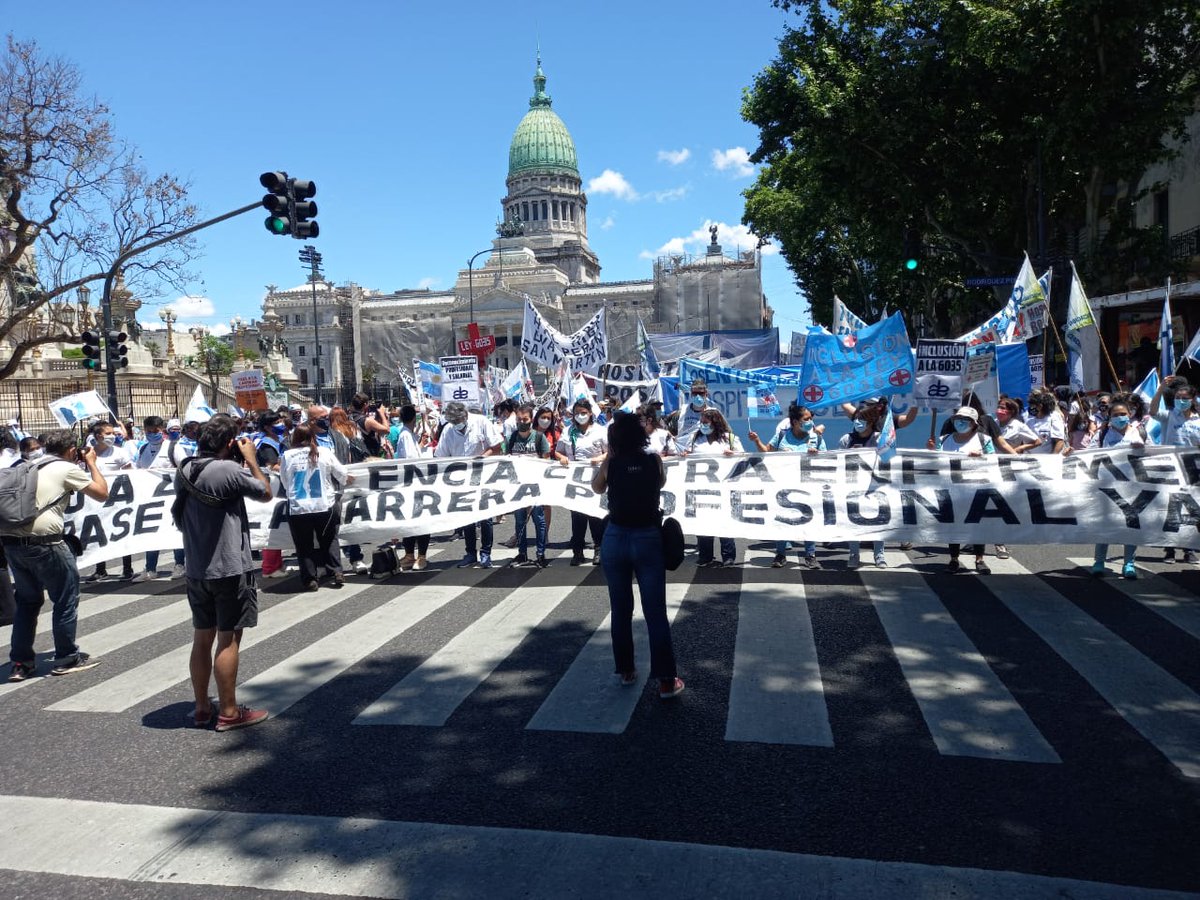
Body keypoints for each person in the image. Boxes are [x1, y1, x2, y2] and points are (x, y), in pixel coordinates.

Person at [175, 414, 271, 731]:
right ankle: (229, 711)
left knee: (202, 638)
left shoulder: (185, 469)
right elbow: (265, 491)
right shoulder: (229, 469)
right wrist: (251, 459)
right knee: (228, 639)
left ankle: (202, 707)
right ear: (230, 443)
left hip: (197, 568)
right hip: (229, 567)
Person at [591, 412, 683, 700]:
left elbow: (597, 487)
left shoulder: (612, 462)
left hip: (616, 537)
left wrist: (611, 458)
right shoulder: (653, 459)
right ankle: (667, 680)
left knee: (620, 610)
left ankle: (627, 670)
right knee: (654, 612)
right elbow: (661, 483)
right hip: (647, 537)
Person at [5, 429, 109, 682]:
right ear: (72, 450)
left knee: (27, 603)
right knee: (65, 599)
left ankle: (21, 663)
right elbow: (101, 493)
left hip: (12, 544)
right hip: (46, 544)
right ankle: (66, 657)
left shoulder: (27, 466)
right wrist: (92, 464)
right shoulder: (65, 468)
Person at [748, 403, 825, 568]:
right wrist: (756, 441)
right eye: (806, 419)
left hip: (807, 486)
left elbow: (828, 460)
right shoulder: (782, 435)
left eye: (811, 418)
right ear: (795, 421)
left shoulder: (816, 437)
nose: (810, 422)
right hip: (783, 486)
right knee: (782, 519)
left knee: (809, 520)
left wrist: (817, 455)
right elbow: (766, 450)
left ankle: (810, 555)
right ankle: (780, 554)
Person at [278, 424, 352, 591]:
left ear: (294, 439)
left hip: (299, 507)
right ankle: (336, 571)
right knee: (329, 538)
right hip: (325, 504)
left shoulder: (287, 456)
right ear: (313, 437)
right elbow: (341, 474)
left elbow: (284, 481)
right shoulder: (324, 452)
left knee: (304, 545)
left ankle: (310, 579)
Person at [1082, 399, 1145, 579]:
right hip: (1106, 487)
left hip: (1133, 487)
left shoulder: (1138, 432)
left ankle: (1129, 564)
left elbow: (1154, 455)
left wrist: (1143, 449)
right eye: (1115, 415)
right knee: (1105, 524)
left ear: (1129, 415)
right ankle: (1099, 562)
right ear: (1109, 417)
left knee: (1131, 525)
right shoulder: (1102, 435)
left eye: (1123, 414)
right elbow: (1088, 455)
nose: (1120, 417)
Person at [435, 400, 503, 567]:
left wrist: (483, 457)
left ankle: (486, 553)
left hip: (483, 476)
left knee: (486, 517)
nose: (457, 424)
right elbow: (440, 457)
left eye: (459, 421)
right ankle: (470, 553)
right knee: (467, 518)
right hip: (461, 480)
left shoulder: (481, 422)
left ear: (465, 415)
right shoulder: (448, 431)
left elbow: (497, 446)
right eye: (453, 422)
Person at [929, 407, 993, 574]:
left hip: (976, 488)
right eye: (958, 418)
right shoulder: (944, 439)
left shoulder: (983, 439)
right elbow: (934, 461)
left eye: (965, 419)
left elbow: (994, 461)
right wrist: (930, 450)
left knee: (977, 524)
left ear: (974, 423)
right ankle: (954, 559)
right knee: (954, 524)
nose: (960, 422)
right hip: (951, 490)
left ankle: (979, 559)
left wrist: (981, 456)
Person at [682, 407, 741, 567]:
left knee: (724, 522)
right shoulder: (695, 438)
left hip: (723, 488)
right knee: (703, 522)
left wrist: (733, 455)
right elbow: (686, 454)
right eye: (701, 423)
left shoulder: (729, 439)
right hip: (700, 488)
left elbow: (742, 458)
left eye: (706, 423)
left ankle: (728, 556)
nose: (702, 426)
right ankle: (705, 555)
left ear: (715, 423)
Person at [556, 397, 608, 566]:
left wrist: (600, 457)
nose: (580, 416)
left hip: (595, 479)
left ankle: (598, 550)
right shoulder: (568, 431)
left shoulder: (600, 431)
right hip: (575, 479)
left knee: (595, 517)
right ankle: (577, 552)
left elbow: (610, 452)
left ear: (590, 413)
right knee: (577, 517)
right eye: (577, 413)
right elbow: (558, 452)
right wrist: (563, 457)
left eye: (584, 413)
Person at [84, 419, 136, 582]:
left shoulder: (120, 452)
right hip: (97, 500)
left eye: (113, 433)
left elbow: (131, 474)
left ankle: (127, 568)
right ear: (98, 436)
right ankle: (101, 570)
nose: (112, 436)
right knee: (100, 534)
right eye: (108, 434)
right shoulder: (89, 453)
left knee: (122, 532)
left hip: (118, 500)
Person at [136, 416, 187, 582]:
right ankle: (150, 568)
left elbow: (185, 468)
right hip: (150, 499)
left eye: (155, 431)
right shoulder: (143, 449)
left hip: (172, 498)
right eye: (148, 431)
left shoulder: (173, 448)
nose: (152, 434)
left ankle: (179, 564)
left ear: (162, 430)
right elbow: (138, 471)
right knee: (151, 532)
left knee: (174, 531)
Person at [504, 403, 551, 568]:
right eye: (519, 419)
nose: (521, 422)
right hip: (518, 488)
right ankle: (522, 553)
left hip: (536, 487)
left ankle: (540, 553)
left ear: (531, 420)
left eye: (525, 419)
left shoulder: (539, 438)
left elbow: (546, 461)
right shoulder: (511, 438)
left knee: (539, 520)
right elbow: (506, 461)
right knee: (519, 520)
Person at [393, 405, 432, 571]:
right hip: (412, 484)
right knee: (413, 520)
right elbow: (411, 460)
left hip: (415, 484)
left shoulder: (409, 435)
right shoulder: (405, 436)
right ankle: (411, 554)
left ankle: (420, 555)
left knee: (419, 520)